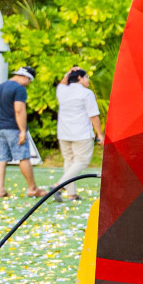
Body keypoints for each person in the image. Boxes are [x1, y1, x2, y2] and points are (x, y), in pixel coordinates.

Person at [55, 68, 102, 199]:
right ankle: (58, 186)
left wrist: (68, 73)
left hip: (64, 133)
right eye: (86, 77)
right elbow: (94, 115)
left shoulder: (62, 91)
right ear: (80, 78)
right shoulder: (86, 93)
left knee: (69, 161)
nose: (88, 80)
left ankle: (72, 194)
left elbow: (62, 83)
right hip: (81, 133)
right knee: (81, 161)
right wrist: (99, 134)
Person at [0, 65, 40, 198]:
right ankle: (32, 188)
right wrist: (22, 130)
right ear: (26, 78)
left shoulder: (0, 86)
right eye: (29, 82)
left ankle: (0, 189)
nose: (28, 85)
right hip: (13, 128)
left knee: (1, 159)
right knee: (23, 157)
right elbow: (19, 110)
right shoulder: (19, 88)